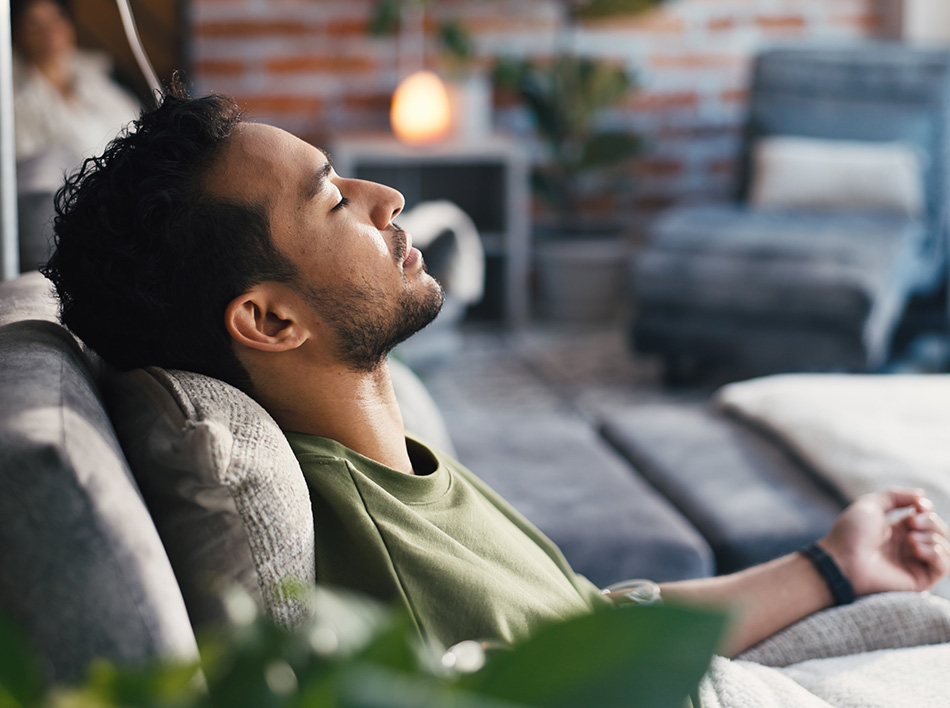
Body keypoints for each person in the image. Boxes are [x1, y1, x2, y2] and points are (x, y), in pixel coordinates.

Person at [41, 82, 950, 656]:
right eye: (332, 199)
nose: (387, 197)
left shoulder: (384, 467)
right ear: (271, 320)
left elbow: (588, 626)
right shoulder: (394, 575)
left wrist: (833, 565)